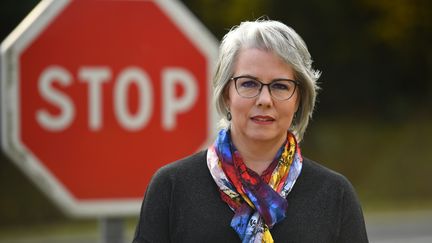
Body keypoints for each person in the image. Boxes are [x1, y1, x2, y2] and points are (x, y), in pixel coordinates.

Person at [132, 19, 368, 243]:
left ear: (298, 99)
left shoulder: (335, 195)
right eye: (248, 83)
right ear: (227, 94)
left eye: (280, 86)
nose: (264, 99)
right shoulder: (172, 188)